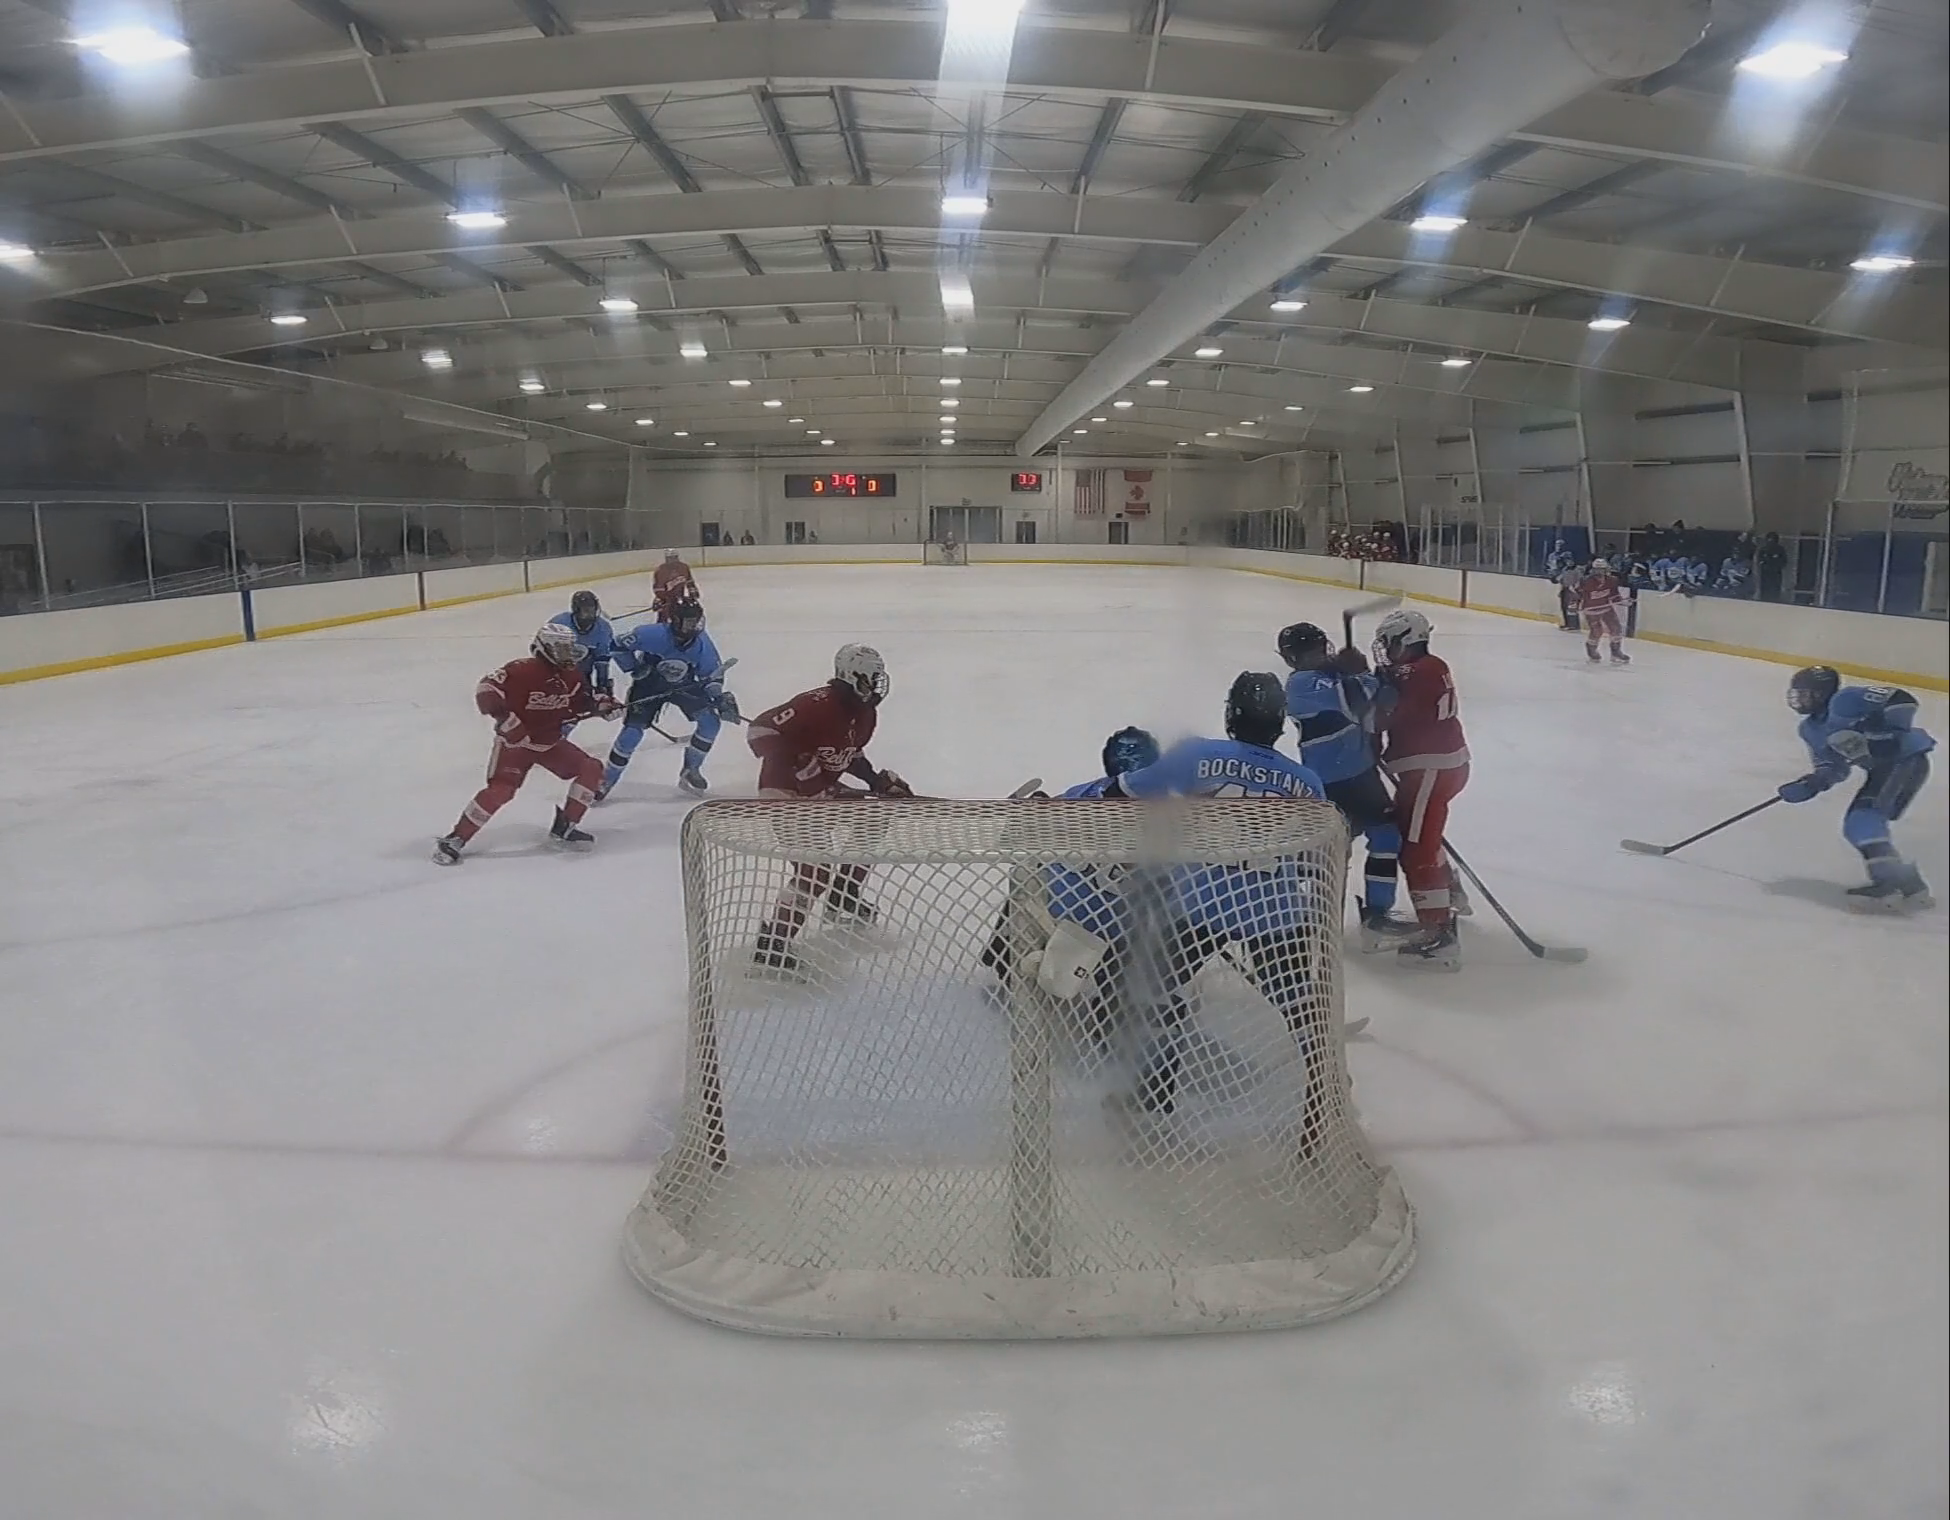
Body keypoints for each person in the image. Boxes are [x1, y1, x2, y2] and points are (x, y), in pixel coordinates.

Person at [1097, 673, 1334, 1127]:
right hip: (1277, 914)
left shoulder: (1197, 755)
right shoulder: (1306, 782)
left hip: (1201, 905)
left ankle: (1150, 1094)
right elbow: (1310, 859)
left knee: (1156, 988)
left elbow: (1123, 790)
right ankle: (1325, 1099)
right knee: (1302, 1007)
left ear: (1232, 714)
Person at [746, 645, 911, 975]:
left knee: (874, 815)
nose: (876, 686)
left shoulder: (866, 714)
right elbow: (759, 731)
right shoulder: (815, 703)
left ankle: (842, 892)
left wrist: (876, 782)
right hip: (785, 793)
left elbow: (848, 753)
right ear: (851, 676)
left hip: (819, 791)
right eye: (870, 679)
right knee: (814, 872)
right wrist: (794, 760)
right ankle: (773, 945)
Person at [432, 625, 618, 865]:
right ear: (544, 648)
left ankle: (565, 828)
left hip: (549, 743)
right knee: (502, 789)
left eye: (569, 648)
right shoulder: (521, 670)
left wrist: (602, 706)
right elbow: (486, 690)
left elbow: (580, 702)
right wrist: (506, 720)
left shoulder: (572, 676)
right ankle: (455, 839)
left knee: (590, 768)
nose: (567, 654)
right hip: (516, 746)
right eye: (561, 648)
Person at [1277, 622, 1411, 948]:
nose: (1322, 654)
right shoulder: (1301, 685)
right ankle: (1306, 916)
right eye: (1313, 650)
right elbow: (1357, 702)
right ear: (1294, 658)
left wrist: (1372, 675)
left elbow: (1384, 697)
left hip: (1361, 776)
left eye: (1323, 646)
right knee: (1325, 854)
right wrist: (1361, 672)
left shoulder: (1329, 675)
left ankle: (1376, 915)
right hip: (1333, 783)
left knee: (1385, 836)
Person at [1779, 667, 1935, 911]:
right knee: (1862, 822)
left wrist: (1890, 730)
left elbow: (1901, 699)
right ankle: (1909, 885)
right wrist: (1813, 783)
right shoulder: (1810, 729)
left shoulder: (1847, 700)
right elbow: (1834, 768)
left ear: (1821, 693)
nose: (1798, 699)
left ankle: (1889, 884)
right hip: (1885, 769)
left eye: (1805, 693)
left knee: (1862, 821)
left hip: (1906, 759)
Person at [1371, 609, 1469, 969]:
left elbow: (1384, 714)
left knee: (1415, 851)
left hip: (1429, 769)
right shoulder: (1429, 666)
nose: (1385, 650)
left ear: (1405, 640)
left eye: (1388, 643)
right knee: (1422, 836)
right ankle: (1446, 888)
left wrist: (1360, 684)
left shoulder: (1415, 672)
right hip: (1439, 767)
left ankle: (1438, 933)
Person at [598, 598, 734, 798]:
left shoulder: (702, 643)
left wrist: (718, 697)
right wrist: (634, 669)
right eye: (689, 621)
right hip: (648, 686)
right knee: (631, 734)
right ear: (675, 621)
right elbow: (617, 646)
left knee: (710, 723)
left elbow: (711, 674)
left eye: (696, 620)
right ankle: (605, 780)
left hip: (684, 685)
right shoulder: (651, 634)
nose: (694, 626)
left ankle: (691, 769)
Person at [548, 589, 617, 699]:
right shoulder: (559, 623)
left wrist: (602, 684)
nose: (590, 614)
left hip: (583, 674)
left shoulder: (603, 628)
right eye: (585, 610)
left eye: (592, 609)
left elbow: (602, 658)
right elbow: (545, 650)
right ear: (576, 609)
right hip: (557, 674)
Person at [1576, 558, 1631, 665]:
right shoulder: (1586, 581)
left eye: (1601, 569)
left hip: (1606, 608)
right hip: (1591, 610)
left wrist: (1622, 602)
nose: (1599, 572)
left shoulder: (1612, 580)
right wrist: (1574, 604)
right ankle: (1592, 650)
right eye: (1597, 569)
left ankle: (1616, 651)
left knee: (1616, 628)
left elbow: (1614, 595)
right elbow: (1578, 594)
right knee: (1597, 631)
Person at [652, 548, 698, 623]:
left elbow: (689, 581)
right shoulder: (661, 570)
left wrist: (693, 592)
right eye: (669, 558)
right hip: (666, 599)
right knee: (663, 619)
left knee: (679, 618)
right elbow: (658, 589)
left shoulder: (684, 567)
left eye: (673, 558)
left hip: (680, 598)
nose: (672, 560)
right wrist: (662, 599)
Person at [1756, 532, 1789, 602]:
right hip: (1765, 573)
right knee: (1765, 589)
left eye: (1773, 539)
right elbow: (1759, 560)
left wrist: (1776, 565)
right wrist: (1764, 563)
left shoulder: (1780, 549)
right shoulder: (1763, 549)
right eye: (1769, 539)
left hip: (1776, 573)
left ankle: (1775, 601)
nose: (1771, 542)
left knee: (1775, 589)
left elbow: (1784, 561)